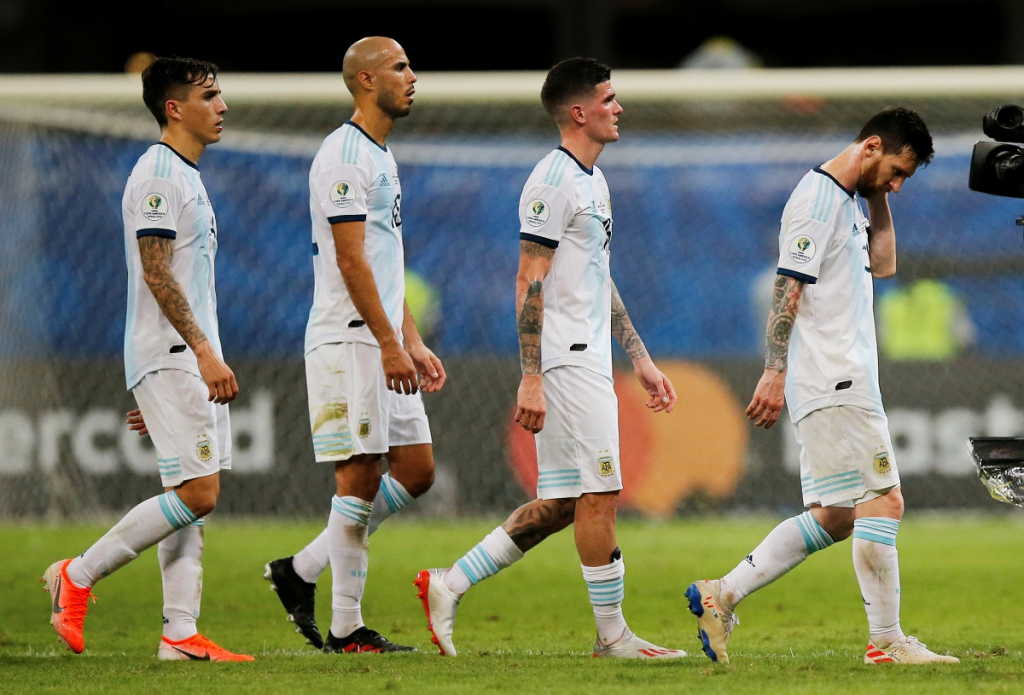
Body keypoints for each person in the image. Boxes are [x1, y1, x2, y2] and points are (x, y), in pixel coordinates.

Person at [414, 57, 685, 660]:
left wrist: (639, 357)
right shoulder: (552, 181)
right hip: (565, 362)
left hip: (587, 357)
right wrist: (531, 377)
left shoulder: (595, 181)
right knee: (601, 494)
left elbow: (595, 276)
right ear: (578, 112)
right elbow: (527, 281)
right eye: (609, 99)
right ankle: (612, 636)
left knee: (565, 503)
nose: (619, 108)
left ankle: (448, 584)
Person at [686, 107, 959, 666]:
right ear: (871, 146)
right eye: (897, 172)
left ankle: (722, 594)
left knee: (837, 515)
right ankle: (886, 641)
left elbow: (884, 265)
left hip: (834, 377)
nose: (897, 185)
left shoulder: (850, 201)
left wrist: (878, 195)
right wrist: (773, 370)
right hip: (837, 376)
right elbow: (787, 286)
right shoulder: (816, 200)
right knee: (884, 500)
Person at [42, 56, 252, 661]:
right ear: (174, 108)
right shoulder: (159, 175)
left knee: (187, 497)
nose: (222, 106)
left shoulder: (185, 174)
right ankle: (77, 574)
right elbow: (157, 273)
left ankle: (179, 634)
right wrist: (201, 354)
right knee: (199, 494)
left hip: (180, 354)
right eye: (210, 96)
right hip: (175, 350)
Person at [262, 36, 446, 655]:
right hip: (349, 339)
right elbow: (349, 259)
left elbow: (384, 261)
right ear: (367, 80)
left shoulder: (381, 156)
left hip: (383, 337)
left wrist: (411, 340)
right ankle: (346, 628)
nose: (412, 76)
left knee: (416, 470)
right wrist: (389, 343)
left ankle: (300, 570)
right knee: (360, 474)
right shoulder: (344, 155)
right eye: (400, 67)